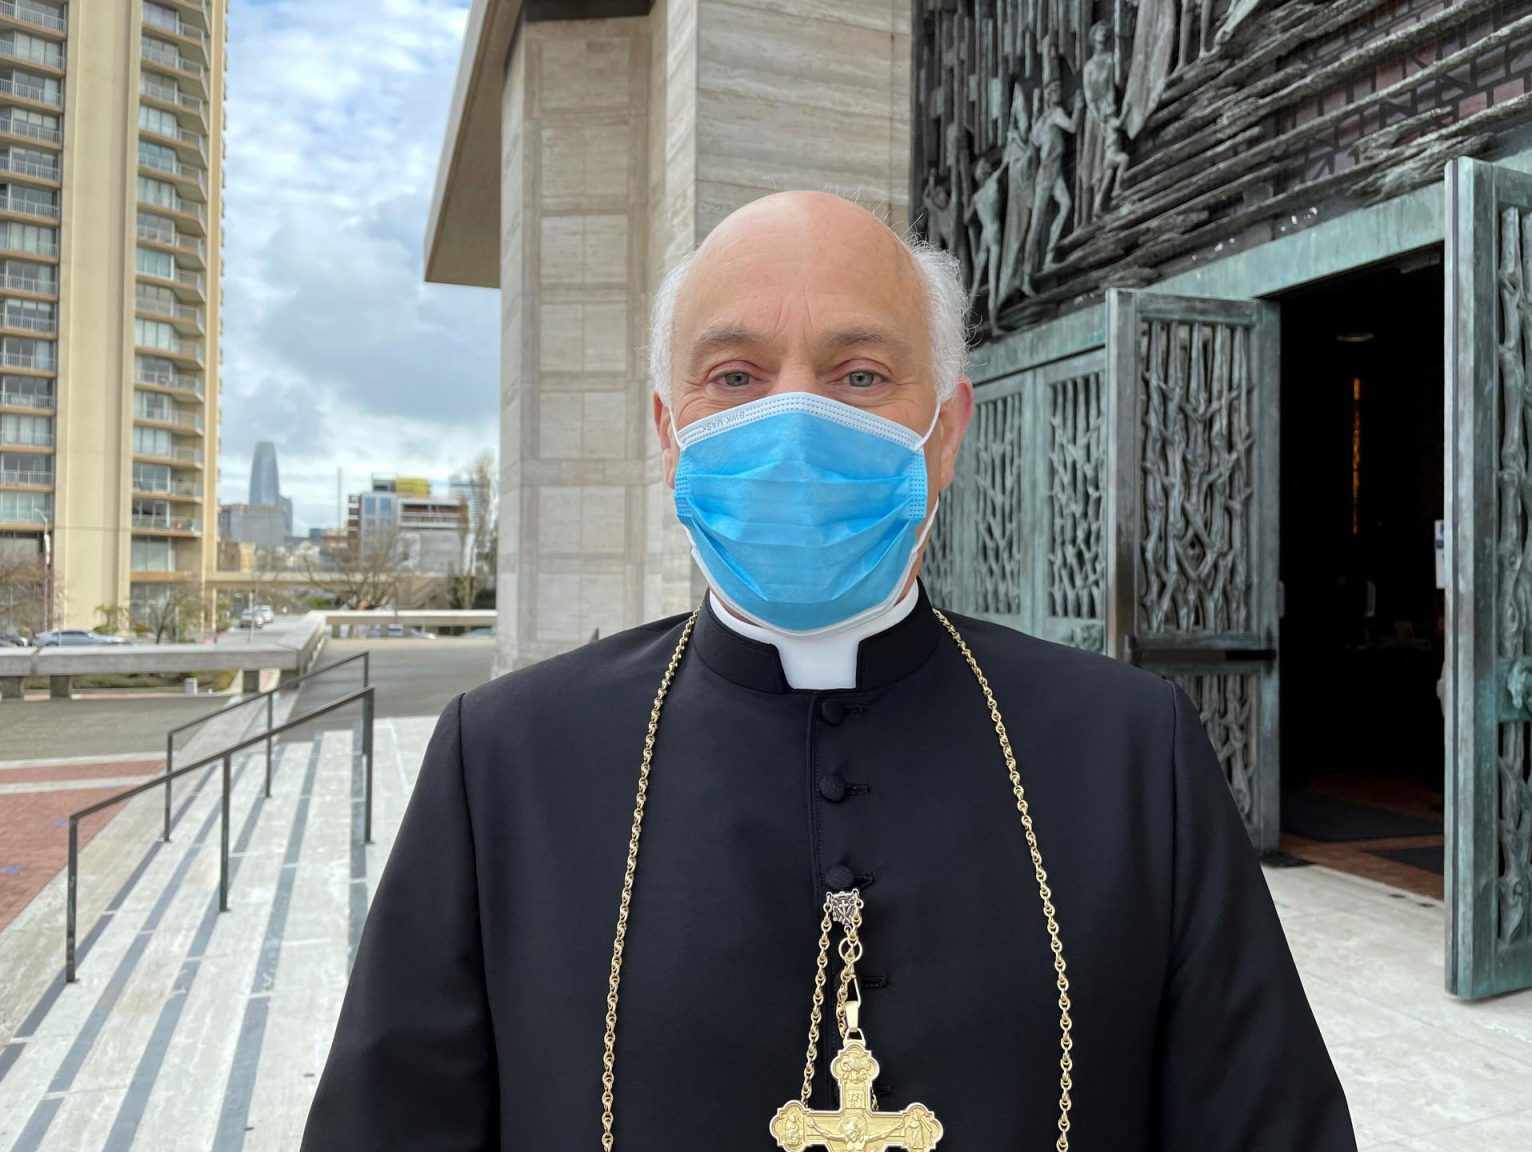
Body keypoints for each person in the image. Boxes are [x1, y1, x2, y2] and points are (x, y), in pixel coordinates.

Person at [300, 192, 1356, 1150]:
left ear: (946, 432)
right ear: (671, 434)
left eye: (859, 375)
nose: (796, 420)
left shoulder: (1132, 751)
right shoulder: (508, 761)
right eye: (735, 378)